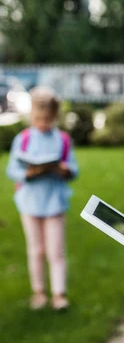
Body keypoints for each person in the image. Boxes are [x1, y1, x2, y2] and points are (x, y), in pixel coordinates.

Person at [7, 87, 79, 311]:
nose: (42, 123)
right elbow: (12, 170)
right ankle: (38, 292)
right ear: (31, 115)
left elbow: (73, 170)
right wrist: (27, 173)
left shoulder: (62, 140)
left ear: (55, 117)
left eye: (47, 119)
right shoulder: (24, 139)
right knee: (36, 250)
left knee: (55, 251)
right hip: (29, 203)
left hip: (54, 202)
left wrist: (65, 170)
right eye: (38, 118)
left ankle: (59, 294)